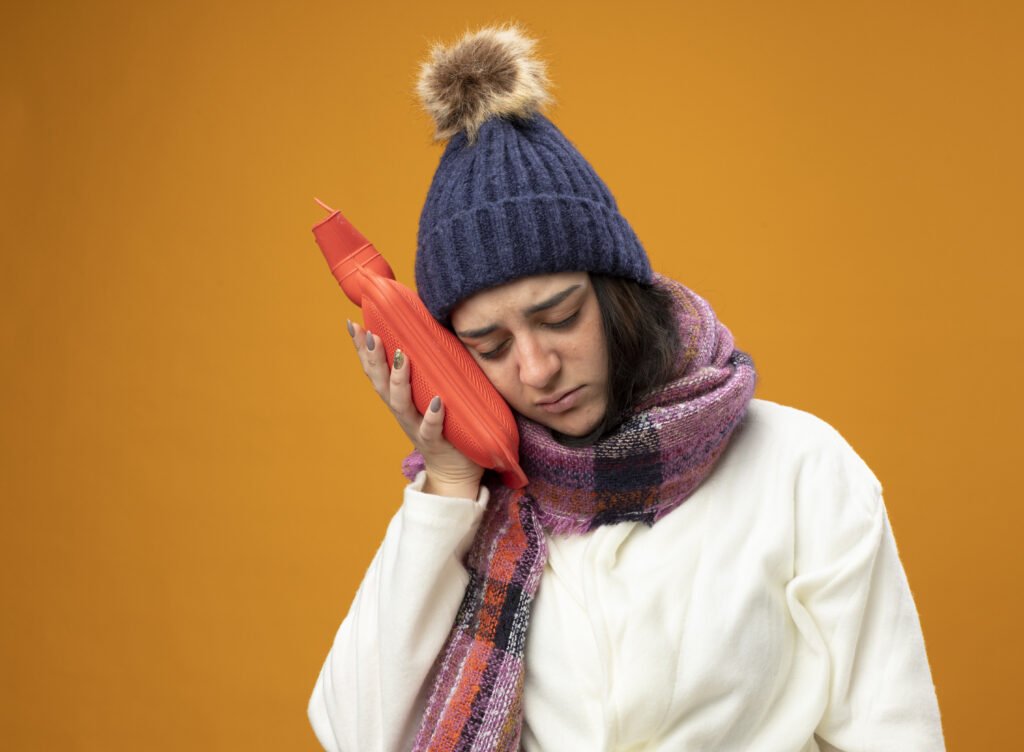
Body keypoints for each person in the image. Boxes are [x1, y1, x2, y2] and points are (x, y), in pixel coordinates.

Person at [307, 22, 945, 752]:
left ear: (619, 295)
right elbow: (356, 735)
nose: (538, 369)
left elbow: (895, 733)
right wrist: (449, 486)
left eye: (560, 317)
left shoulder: (802, 466)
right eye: (489, 346)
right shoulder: (476, 507)